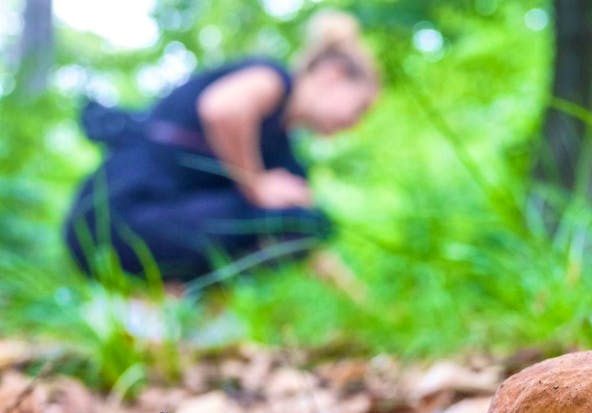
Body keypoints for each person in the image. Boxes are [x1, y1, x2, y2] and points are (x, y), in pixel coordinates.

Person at [63, 11, 379, 285]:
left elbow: (305, 238)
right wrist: (254, 184)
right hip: (113, 217)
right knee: (299, 219)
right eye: (360, 107)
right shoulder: (273, 81)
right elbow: (223, 108)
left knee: (306, 222)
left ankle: (179, 307)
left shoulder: (282, 156)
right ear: (332, 75)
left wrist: (369, 306)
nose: (355, 123)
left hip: (161, 226)